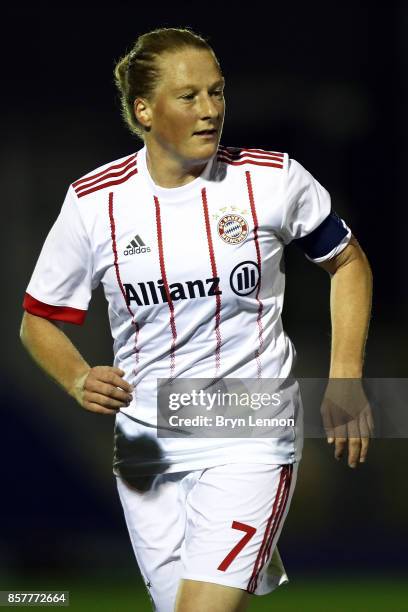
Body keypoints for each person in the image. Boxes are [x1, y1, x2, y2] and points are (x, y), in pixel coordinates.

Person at [20, 27, 373, 612]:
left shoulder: (272, 179)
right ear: (144, 110)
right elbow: (36, 320)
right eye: (190, 97)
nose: (211, 110)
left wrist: (345, 374)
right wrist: (78, 377)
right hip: (146, 446)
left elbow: (349, 262)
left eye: (218, 92)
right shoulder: (93, 202)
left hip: (251, 432)